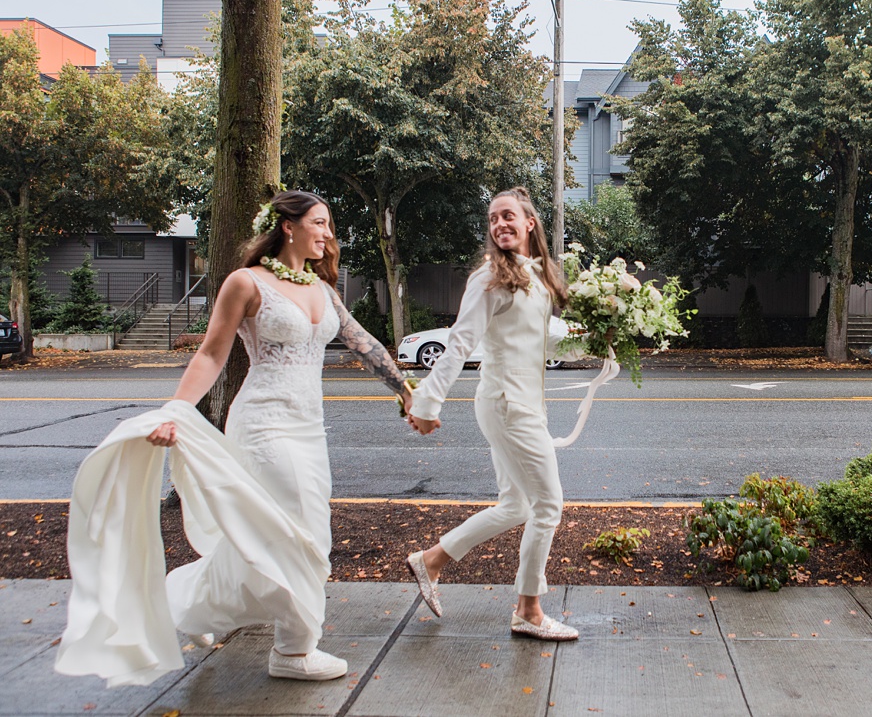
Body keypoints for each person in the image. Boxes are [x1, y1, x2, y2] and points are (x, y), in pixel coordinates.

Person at [140, 190, 415, 681]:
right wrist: (177, 411)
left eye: (329, 225)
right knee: (305, 532)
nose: (328, 234)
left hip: (309, 428)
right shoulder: (246, 283)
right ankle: (293, 651)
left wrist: (405, 390)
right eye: (320, 223)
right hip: (263, 422)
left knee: (279, 534)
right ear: (288, 226)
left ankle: (191, 605)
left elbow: (361, 342)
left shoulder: (322, 290)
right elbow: (210, 355)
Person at [406, 186, 580, 641]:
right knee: (548, 506)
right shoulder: (490, 276)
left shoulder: (536, 276)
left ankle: (431, 561)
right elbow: (459, 341)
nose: (499, 224)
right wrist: (426, 402)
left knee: (516, 505)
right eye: (492, 219)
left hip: (523, 404)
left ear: (529, 224)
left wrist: (602, 339)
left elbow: (546, 339)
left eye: (507, 217)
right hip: (507, 404)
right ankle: (529, 609)